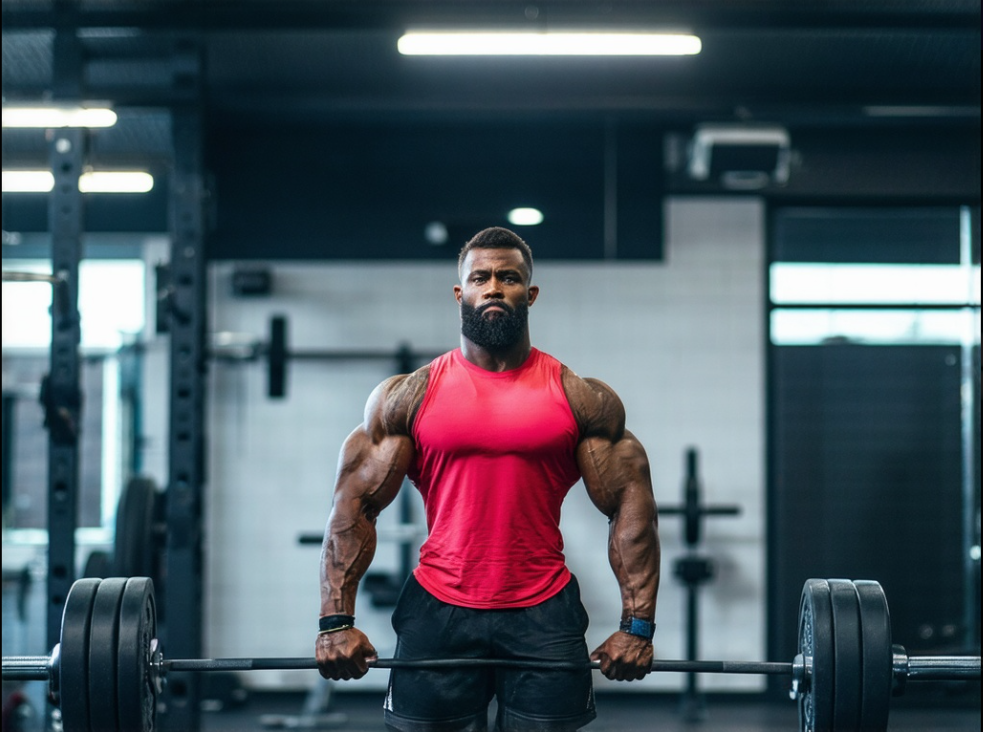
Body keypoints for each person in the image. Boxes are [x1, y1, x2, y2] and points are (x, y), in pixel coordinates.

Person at [315, 226, 661, 732]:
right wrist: (335, 623)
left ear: (531, 293)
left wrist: (637, 627)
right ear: (461, 293)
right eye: (480, 277)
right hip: (438, 609)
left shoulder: (581, 398)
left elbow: (631, 508)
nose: (494, 287)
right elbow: (353, 506)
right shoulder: (407, 397)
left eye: (509, 277)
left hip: (544, 611)